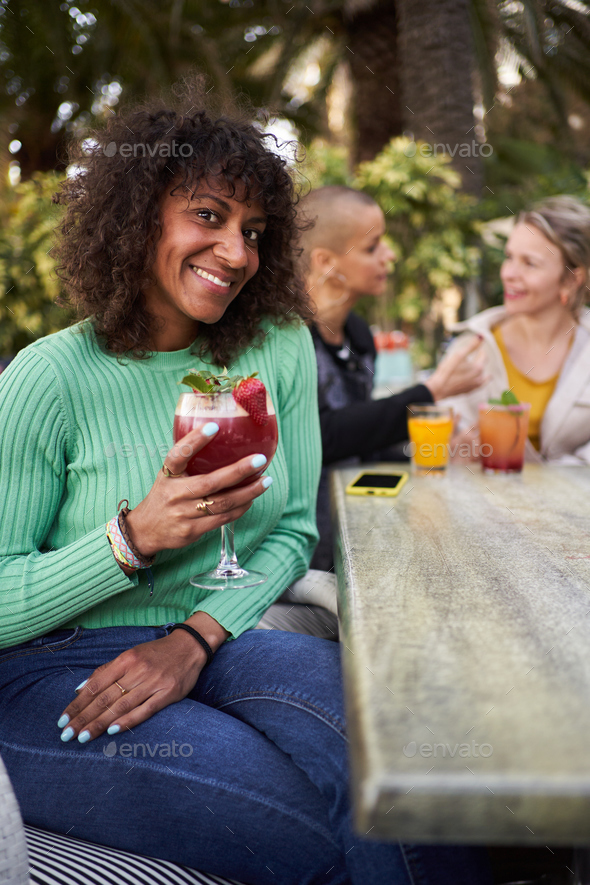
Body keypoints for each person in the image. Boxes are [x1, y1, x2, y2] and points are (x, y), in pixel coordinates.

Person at [0, 87, 493, 885]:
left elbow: (293, 528)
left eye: (254, 232)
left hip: (217, 636)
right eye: (208, 216)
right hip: (54, 668)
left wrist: (191, 639)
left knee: (395, 770)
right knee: (315, 837)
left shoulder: (275, 345)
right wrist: (130, 541)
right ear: (137, 215)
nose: (236, 251)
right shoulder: (50, 376)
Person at [298, 186, 488, 570]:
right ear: (326, 262)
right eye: (373, 247)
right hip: (303, 550)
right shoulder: (289, 337)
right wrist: (432, 390)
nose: (390, 256)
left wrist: (424, 450)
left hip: (356, 524)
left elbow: (360, 443)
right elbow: (321, 436)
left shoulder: (358, 335)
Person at [444, 195, 590, 463]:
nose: (508, 273)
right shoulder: (471, 346)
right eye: (509, 257)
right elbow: (436, 442)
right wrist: (455, 450)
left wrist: (550, 479)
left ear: (571, 279)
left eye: (529, 263)